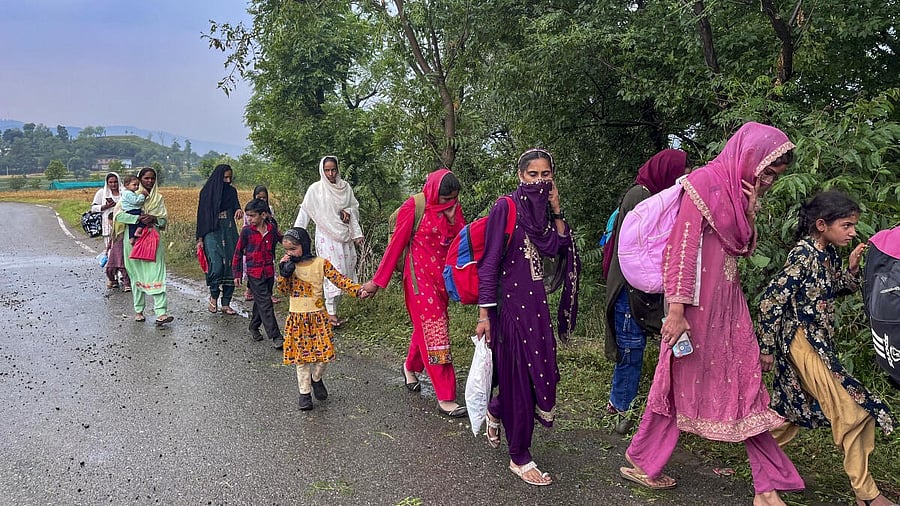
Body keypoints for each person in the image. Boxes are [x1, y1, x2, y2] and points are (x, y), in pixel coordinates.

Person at [619, 122, 804, 506]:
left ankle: (766, 488)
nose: (768, 179)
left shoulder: (739, 194)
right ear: (748, 156)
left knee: (746, 387)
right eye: (767, 170)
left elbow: (741, 249)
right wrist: (675, 311)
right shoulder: (703, 184)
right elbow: (681, 251)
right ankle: (646, 461)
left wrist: (750, 212)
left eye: (775, 174)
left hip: (728, 307)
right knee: (674, 384)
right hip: (692, 311)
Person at [757, 190, 896, 506]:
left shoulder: (825, 254)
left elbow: (828, 290)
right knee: (855, 412)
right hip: (803, 344)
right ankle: (867, 494)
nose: (852, 232)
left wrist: (851, 268)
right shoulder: (803, 256)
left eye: (852, 226)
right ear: (822, 224)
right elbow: (770, 301)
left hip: (818, 345)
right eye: (846, 225)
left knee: (787, 417)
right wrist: (766, 347)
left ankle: (759, 466)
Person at [475, 148, 581, 486]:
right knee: (521, 381)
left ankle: (496, 409)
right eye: (532, 175)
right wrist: (484, 315)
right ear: (521, 176)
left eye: (545, 175)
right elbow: (489, 264)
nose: (539, 180)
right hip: (510, 311)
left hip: (537, 310)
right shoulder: (505, 208)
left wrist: (557, 209)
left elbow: (557, 246)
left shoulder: (544, 216)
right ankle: (519, 456)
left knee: (539, 375)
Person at [361, 169, 468, 418]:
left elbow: (461, 240)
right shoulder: (414, 206)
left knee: (426, 328)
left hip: (443, 281)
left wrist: (453, 218)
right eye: (444, 199)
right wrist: (377, 283)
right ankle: (446, 396)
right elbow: (396, 245)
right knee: (435, 331)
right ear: (433, 191)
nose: (449, 203)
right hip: (419, 282)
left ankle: (410, 367)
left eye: (453, 199)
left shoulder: (453, 206)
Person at [604, 149, 688, 433]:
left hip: (639, 286)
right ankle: (621, 407)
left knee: (636, 346)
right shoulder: (642, 196)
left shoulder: (647, 192)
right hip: (630, 287)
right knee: (631, 348)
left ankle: (623, 403)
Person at [278, 227, 367, 410]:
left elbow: (339, 279)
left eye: (293, 249)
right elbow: (282, 291)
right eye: (287, 250)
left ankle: (316, 378)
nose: (290, 253)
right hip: (297, 319)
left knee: (323, 355)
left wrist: (358, 290)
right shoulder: (289, 267)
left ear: (304, 245)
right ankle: (304, 394)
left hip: (318, 317)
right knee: (301, 359)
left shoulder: (320, 263)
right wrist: (283, 273)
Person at [294, 156, 364, 327]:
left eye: (333, 169)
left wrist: (348, 211)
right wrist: (294, 237)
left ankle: (332, 311)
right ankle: (330, 314)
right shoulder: (315, 190)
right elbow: (305, 213)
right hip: (326, 237)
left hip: (344, 235)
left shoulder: (345, 188)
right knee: (332, 272)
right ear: (322, 170)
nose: (331, 173)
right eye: (327, 170)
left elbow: (354, 206)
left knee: (344, 272)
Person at [114, 167, 173, 326]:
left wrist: (153, 218)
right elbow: (118, 215)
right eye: (146, 178)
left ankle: (161, 312)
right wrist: (138, 218)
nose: (150, 181)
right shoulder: (129, 196)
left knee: (157, 272)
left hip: (152, 239)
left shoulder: (158, 198)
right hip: (133, 239)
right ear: (139, 179)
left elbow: (164, 221)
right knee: (136, 273)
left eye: (153, 178)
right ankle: (138, 310)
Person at [232, 198, 284, 349]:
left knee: (261, 302)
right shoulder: (247, 231)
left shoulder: (271, 229)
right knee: (266, 303)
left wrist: (294, 249)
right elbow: (237, 252)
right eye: (248, 215)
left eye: (252, 216)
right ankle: (276, 336)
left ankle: (254, 326)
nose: (249, 219)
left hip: (268, 272)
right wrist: (237, 273)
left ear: (263, 215)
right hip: (254, 272)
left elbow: (282, 239)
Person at [196, 164, 243, 315]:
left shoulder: (231, 191)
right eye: (225, 178)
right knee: (216, 264)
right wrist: (200, 239)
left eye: (230, 177)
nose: (228, 181)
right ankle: (214, 296)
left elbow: (236, 206)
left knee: (231, 264)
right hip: (212, 232)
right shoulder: (207, 193)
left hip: (229, 231)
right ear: (218, 177)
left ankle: (226, 303)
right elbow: (201, 217)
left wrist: (238, 210)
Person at [90, 172, 130, 291]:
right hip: (108, 226)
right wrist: (105, 206)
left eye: (115, 182)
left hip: (123, 227)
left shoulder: (124, 193)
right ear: (107, 183)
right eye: (110, 182)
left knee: (123, 253)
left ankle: (124, 276)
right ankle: (113, 278)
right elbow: (93, 208)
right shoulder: (101, 193)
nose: (113, 184)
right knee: (111, 252)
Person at [243, 185, 278, 302]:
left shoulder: (270, 209)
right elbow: (246, 225)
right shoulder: (250, 211)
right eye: (259, 197)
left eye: (264, 198)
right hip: (254, 242)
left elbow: (274, 226)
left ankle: (267, 294)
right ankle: (252, 291)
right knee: (255, 271)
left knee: (269, 268)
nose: (262, 200)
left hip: (268, 239)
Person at [119, 175, 149, 243]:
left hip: (130, 211)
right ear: (126, 185)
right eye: (134, 185)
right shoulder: (128, 193)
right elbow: (136, 201)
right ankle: (138, 232)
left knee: (132, 226)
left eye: (138, 185)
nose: (137, 186)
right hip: (133, 211)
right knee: (144, 221)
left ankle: (131, 238)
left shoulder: (130, 193)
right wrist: (142, 195)